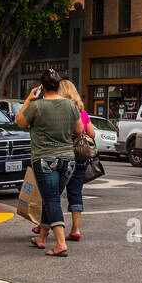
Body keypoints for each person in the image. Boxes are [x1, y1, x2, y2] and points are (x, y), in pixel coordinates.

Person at [16, 70, 83, 257]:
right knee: (50, 197)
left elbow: (19, 121)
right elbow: (79, 130)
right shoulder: (70, 105)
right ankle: (42, 238)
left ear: (42, 87)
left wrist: (29, 99)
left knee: (51, 199)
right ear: (59, 85)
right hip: (68, 160)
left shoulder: (37, 106)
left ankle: (60, 243)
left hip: (44, 158)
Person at [57, 78, 95, 241]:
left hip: (62, 155)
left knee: (52, 193)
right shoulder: (82, 113)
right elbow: (92, 134)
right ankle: (75, 229)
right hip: (80, 157)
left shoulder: (59, 111)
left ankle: (45, 224)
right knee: (75, 192)